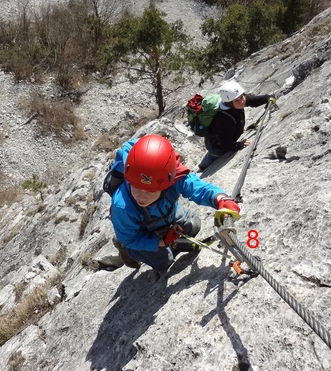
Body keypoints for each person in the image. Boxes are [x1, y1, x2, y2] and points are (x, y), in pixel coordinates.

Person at [108, 134, 240, 272]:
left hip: (167, 214)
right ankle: (124, 248)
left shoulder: (172, 178)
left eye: (150, 191)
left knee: (193, 225)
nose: (141, 196)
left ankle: (169, 241)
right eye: (136, 187)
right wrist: (160, 242)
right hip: (138, 231)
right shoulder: (122, 206)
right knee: (164, 261)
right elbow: (130, 239)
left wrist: (220, 199)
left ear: (167, 184)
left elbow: (195, 186)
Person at [198, 80, 274, 172]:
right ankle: (202, 167)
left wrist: (267, 98)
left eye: (242, 97)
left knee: (211, 154)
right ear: (229, 103)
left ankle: (202, 165)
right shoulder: (224, 120)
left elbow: (252, 100)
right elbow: (225, 144)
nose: (241, 101)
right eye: (237, 100)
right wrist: (239, 145)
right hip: (216, 145)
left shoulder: (235, 101)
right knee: (214, 154)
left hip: (224, 138)